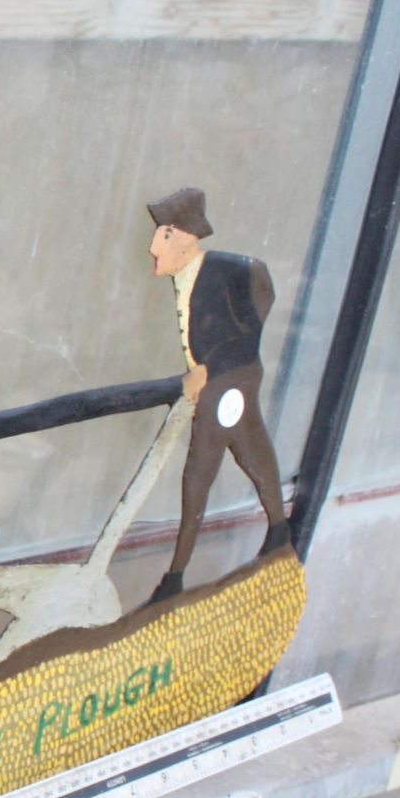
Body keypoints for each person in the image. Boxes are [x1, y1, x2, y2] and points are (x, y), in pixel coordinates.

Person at [146, 187, 290, 603]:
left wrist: (212, 366)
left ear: (183, 238)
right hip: (228, 379)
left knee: (199, 473)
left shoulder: (225, 270)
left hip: (227, 382)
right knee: (252, 450)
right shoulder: (187, 276)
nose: (154, 245)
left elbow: (256, 306)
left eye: (163, 233)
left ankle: (175, 577)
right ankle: (279, 531)